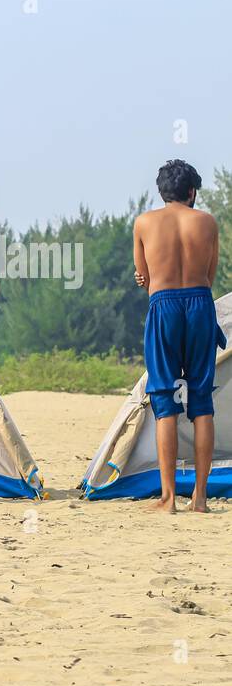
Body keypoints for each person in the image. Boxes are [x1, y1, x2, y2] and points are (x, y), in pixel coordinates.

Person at [133, 159, 225, 513]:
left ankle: (168, 498)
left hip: (164, 305)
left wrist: (152, 282)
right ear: (192, 192)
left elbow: (145, 278)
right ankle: (200, 499)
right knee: (202, 401)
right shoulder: (207, 222)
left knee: (164, 401)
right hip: (200, 305)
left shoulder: (144, 222)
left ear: (161, 191)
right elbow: (209, 275)